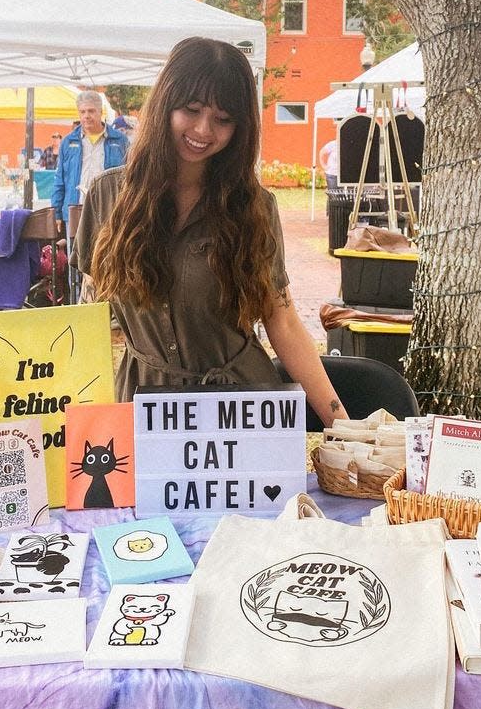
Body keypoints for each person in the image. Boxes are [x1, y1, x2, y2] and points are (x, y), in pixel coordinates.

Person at [72, 37, 347, 426]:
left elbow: (281, 321)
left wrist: (343, 423)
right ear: (166, 103)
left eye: (223, 119)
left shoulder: (254, 208)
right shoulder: (107, 195)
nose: (204, 129)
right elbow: (89, 317)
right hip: (143, 409)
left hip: (238, 411)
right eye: (192, 109)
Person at [51, 91, 129, 237]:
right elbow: (59, 180)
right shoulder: (68, 142)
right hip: (75, 211)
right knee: (77, 259)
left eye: (91, 111)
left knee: (107, 258)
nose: (86, 115)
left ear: (100, 112)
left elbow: (129, 178)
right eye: (82, 112)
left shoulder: (120, 141)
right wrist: (56, 212)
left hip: (109, 212)